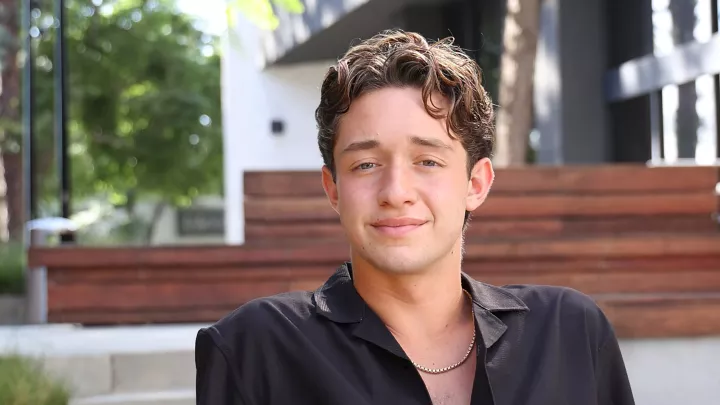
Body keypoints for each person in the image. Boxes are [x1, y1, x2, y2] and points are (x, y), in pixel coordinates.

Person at [195, 29, 635, 405]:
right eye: (366, 164)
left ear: (475, 184)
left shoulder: (567, 330)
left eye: (427, 161)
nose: (396, 193)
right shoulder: (255, 345)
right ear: (334, 189)